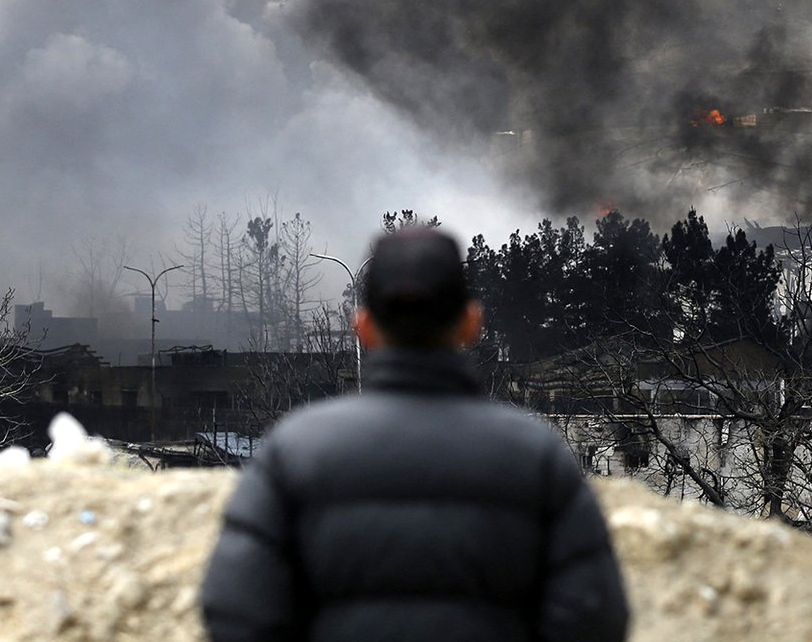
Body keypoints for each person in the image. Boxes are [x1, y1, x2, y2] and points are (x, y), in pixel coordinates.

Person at [199, 226, 631, 642]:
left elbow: (238, 614)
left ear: (363, 326)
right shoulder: (535, 453)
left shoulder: (294, 449)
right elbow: (593, 618)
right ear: (469, 323)